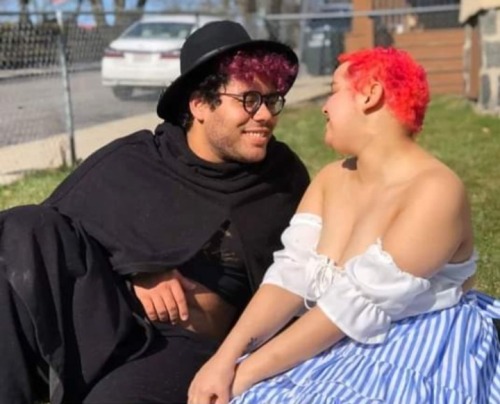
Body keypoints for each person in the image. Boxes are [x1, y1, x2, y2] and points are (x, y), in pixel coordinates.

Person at [0, 20, 309, 403]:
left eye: (272, 100)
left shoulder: (281, 179)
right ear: (199, 104)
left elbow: (306, 272)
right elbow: (64, 230)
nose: (265, 115)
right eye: (249, 100)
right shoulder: (137, 159)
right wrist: (138, 265)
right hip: (107, 319)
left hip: (182, 347)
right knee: (20, 228)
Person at [188, 47, 500, 404]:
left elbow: (348, 311)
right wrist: (225, 360)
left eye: (334, 91)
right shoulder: (330, 179)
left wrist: (246, 373)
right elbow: (289, 278)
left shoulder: (435, 191)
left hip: (408, 350)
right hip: (330, 341)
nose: (324, 106)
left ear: (370, 95)